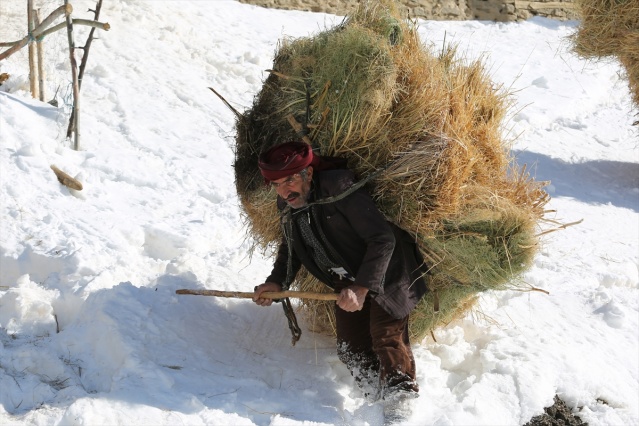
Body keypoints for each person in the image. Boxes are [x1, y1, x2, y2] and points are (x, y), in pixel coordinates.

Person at [252, 141, 429, 419]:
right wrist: (276, 283)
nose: (284, 190)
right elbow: (290, 248)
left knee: (385, 337)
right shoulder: (287, 204)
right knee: (351, 349)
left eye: (289, 180)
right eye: (276, 184)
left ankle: (399, 403)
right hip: (345, 279)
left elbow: (382, 239)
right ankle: (376, 398)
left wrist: (362, 287)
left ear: (308, 174)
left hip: (387, 270)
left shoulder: (338, 188)